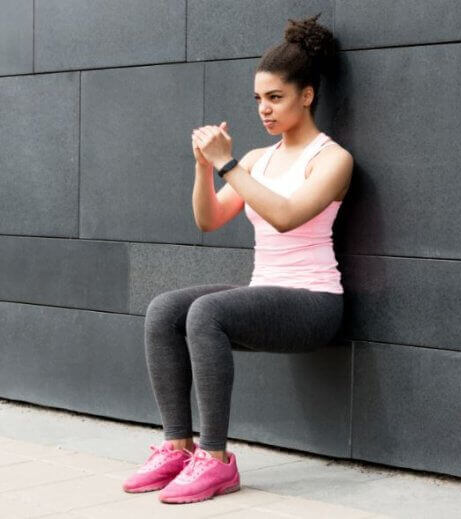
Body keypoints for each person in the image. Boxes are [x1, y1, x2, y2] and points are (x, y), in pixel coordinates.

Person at [121, 12, 352, 504]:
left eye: (275, 98)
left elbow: (287, 215)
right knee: (166, 309)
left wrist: (228, 162)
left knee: (206, 313)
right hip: (264, 291)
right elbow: (209, 219)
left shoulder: (332, 159)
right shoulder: (255, 160)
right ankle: (177, 446)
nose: (264, 110)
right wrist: (205, 169)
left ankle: (217, 459)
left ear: (307, 95)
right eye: (258, 100)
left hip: (314, 303)